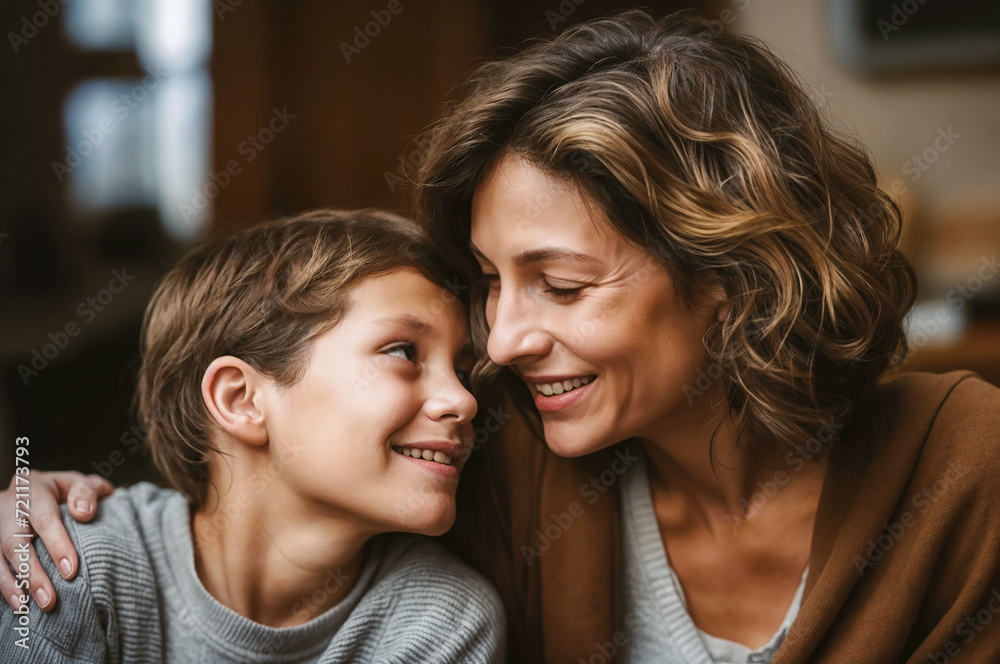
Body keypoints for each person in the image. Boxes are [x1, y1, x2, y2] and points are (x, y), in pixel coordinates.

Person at [6, 10, 1000, 664]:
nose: (502, 343)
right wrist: (28, 495)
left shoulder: (962, 468)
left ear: (733, 284)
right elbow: (268, 471)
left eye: (559, 285)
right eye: (489, 284)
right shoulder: (491, 454)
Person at [0, 209, 505, 663]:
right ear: (240, 400)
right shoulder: (72, 565)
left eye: (462, 370)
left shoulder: (443, 620)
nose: (463, 401)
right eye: (403, 352)